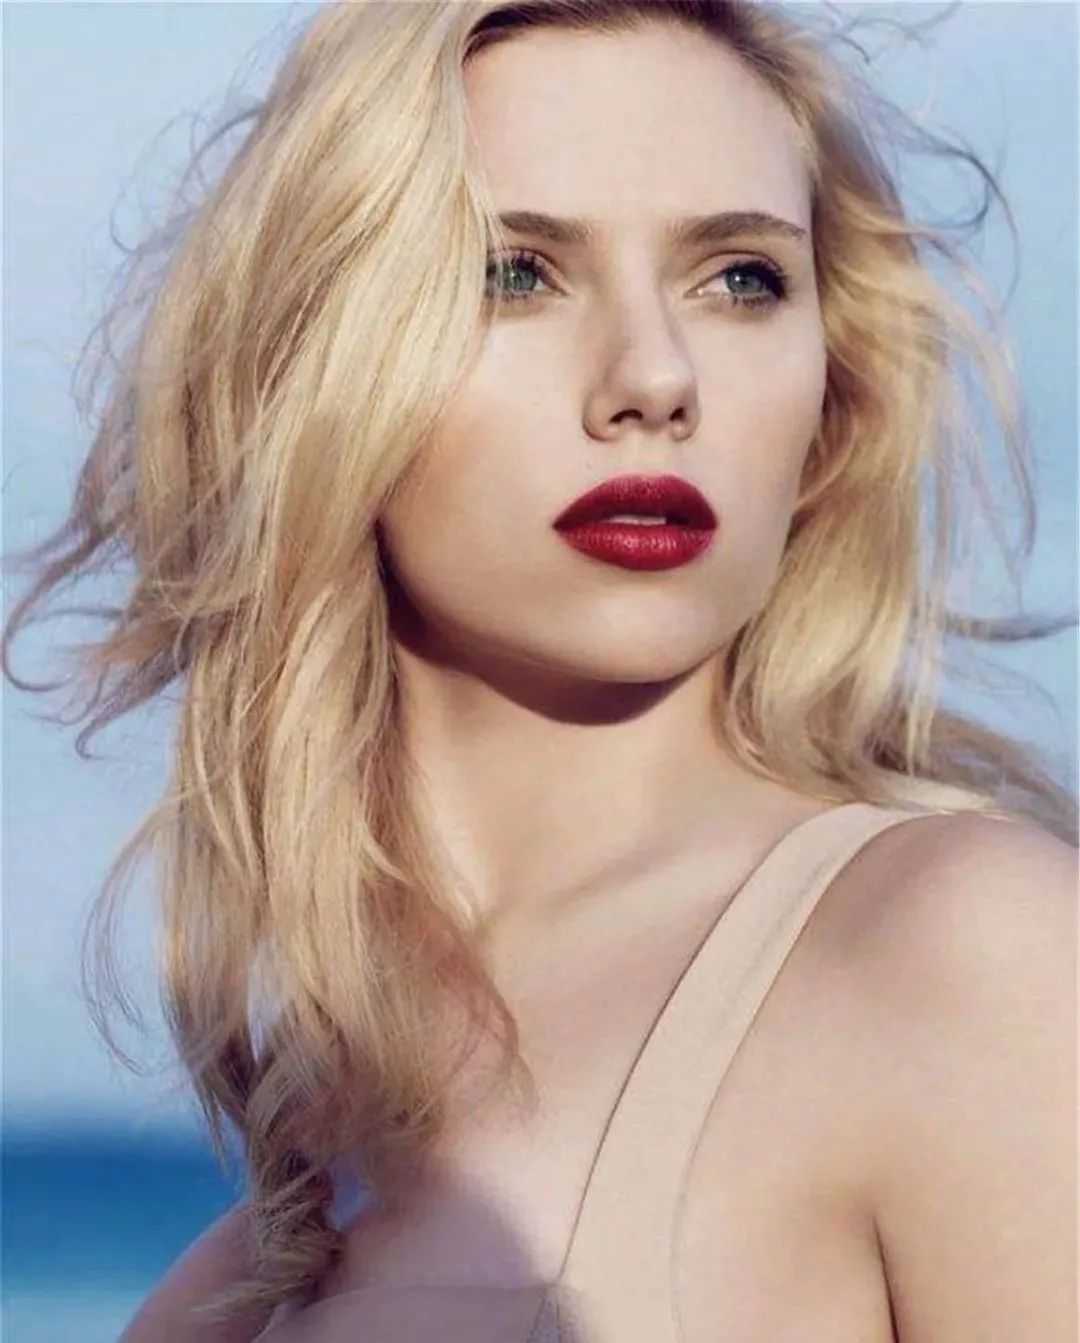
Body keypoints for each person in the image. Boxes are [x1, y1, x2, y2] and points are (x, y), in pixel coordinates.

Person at [2, 1, 1075, 1339]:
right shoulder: (274, 1227)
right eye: (515, 272)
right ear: (311, 367)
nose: (656, 377)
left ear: (833, 397)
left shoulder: (967, 956)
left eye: (741, 279)